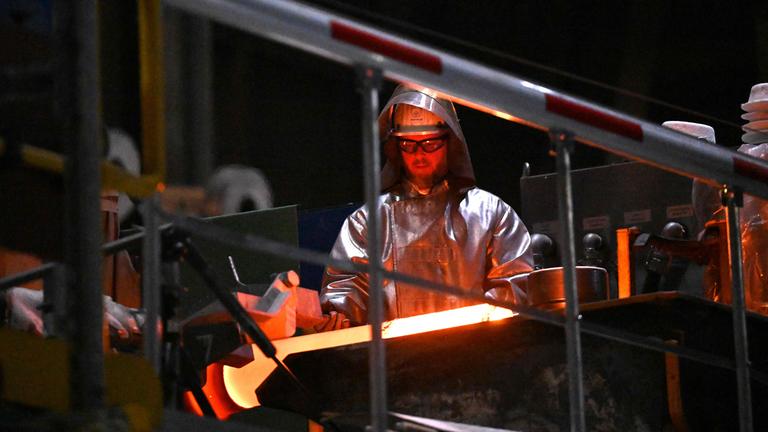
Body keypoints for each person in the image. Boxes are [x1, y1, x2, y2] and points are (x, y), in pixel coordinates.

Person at [317, 85, 533, 330]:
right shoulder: (369, 222)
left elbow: (516, 283)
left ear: (450, 142)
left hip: (476, 351)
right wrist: (336, 315)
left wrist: (474, 326)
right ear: (395, 146)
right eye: (408, 144)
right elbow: (346, 286)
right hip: (396, 360)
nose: (419, 155)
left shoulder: (491, 213)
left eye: (429, 143)